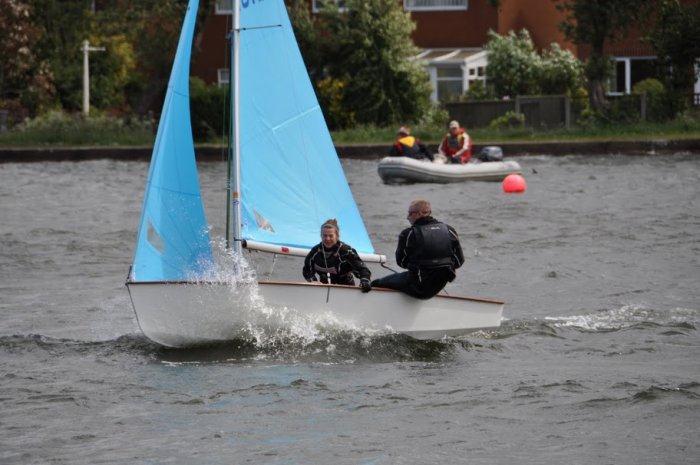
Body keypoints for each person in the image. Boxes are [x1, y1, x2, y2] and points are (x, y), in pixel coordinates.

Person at [371, 200, 463, 299]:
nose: (407, 217)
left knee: (376, 283)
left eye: (410, 213)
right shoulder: (449, 230)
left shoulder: (408, 233)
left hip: (418, 288)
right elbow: (459, 261)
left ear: (419, 214)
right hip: (440, 284)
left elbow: (401, 262)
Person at [302, 219, 372, 292]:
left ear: (337, 236)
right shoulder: (315, 252)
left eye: (331, 236)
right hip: (323, 289)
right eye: (324, 236)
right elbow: (307, 271)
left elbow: (363, 270)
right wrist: (313, 281)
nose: (327, 239)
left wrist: (365, 280)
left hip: (346, 289)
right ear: (321, 236)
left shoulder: (346, 251)